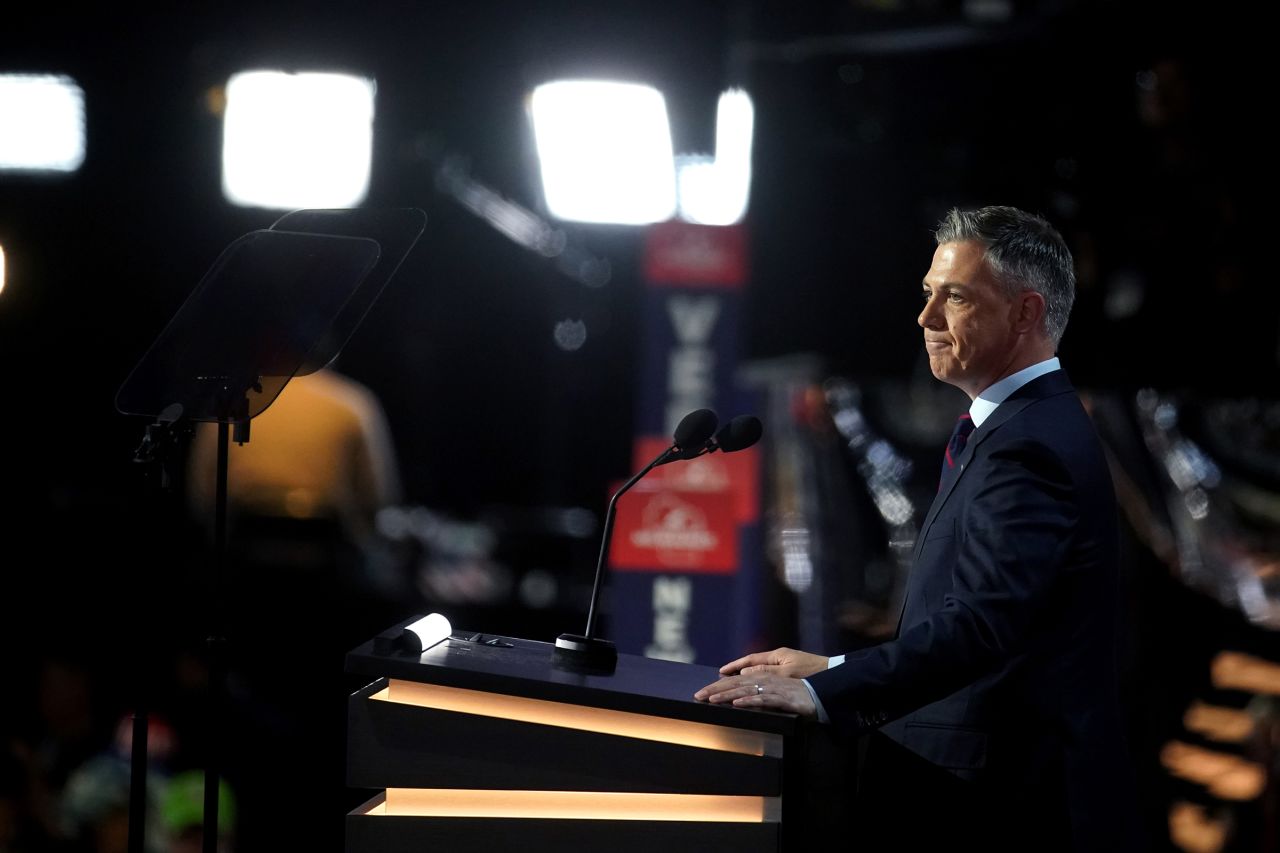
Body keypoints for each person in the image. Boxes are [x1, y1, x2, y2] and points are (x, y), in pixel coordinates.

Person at [695, 206, 1145, 850]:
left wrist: (824, 690)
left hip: (1005, 809)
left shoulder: (1030, 445)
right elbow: (976, 625)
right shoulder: (1016, 429)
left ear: (1024, 313)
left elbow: (982, 629)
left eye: (954, 297)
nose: (926, 319)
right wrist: (833, 663)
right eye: (928, 293)